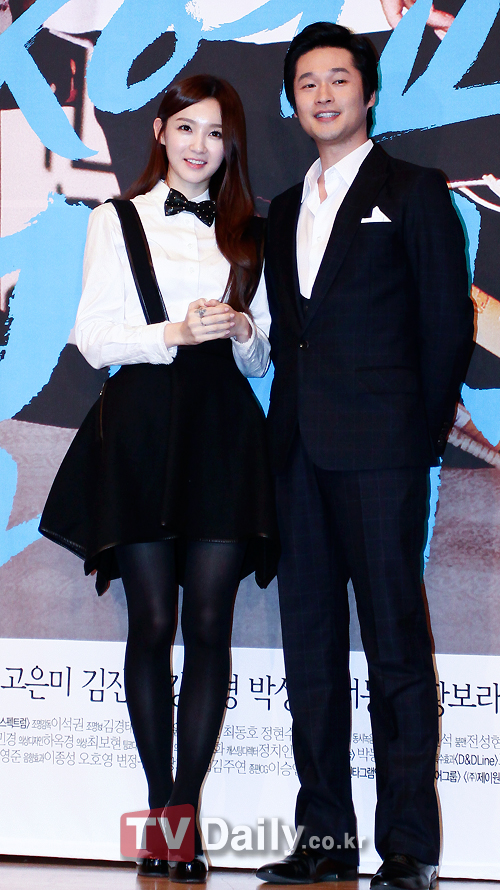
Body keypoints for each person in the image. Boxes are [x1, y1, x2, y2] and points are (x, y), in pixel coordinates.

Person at [40, 74, 278, 882]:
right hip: (140, 426)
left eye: (214, 132)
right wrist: (173, 332)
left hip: (222, 433)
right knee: (152, 623)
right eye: (186, 128)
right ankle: (161, 811)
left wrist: (241, 328)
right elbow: (94, 338)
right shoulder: (115, 219)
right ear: (159, 132)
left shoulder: (252, 233)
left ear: (230, 143)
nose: (199, 145)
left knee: (209, 622)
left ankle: (182, 817)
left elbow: (260, 359)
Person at [257, 22, 472, 890]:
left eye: (338, 78)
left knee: (394, 647)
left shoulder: (413, 190)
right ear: (293, 100)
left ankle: (409, 848)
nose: (322, 93)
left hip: (383, 451)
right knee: (309, 651)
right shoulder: (282, 208)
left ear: (369, 92)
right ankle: (325, 839)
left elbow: (446, 324)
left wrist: (417, 437)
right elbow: (290, 335)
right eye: (306, 81)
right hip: (297, 454)